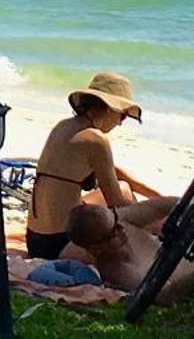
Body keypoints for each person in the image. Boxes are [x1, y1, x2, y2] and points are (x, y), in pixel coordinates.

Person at [25, 73, 169, 260]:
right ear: (110, 109)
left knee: (125, 189)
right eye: (123, 116)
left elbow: (116, 173)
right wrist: (155, 219)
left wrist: (158, 198)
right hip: (62, 244)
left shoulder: (64, 127)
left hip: (36, 240)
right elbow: (117, 203)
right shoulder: (96, 140)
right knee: (134, 222)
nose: (121, 123)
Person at [64, 175, 194, 303]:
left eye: (116, 220)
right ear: (96, 248)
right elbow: (169, 295)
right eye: (114, 231)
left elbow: (160, 206)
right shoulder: (123, 272)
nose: (121, 228)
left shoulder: (117, 223)